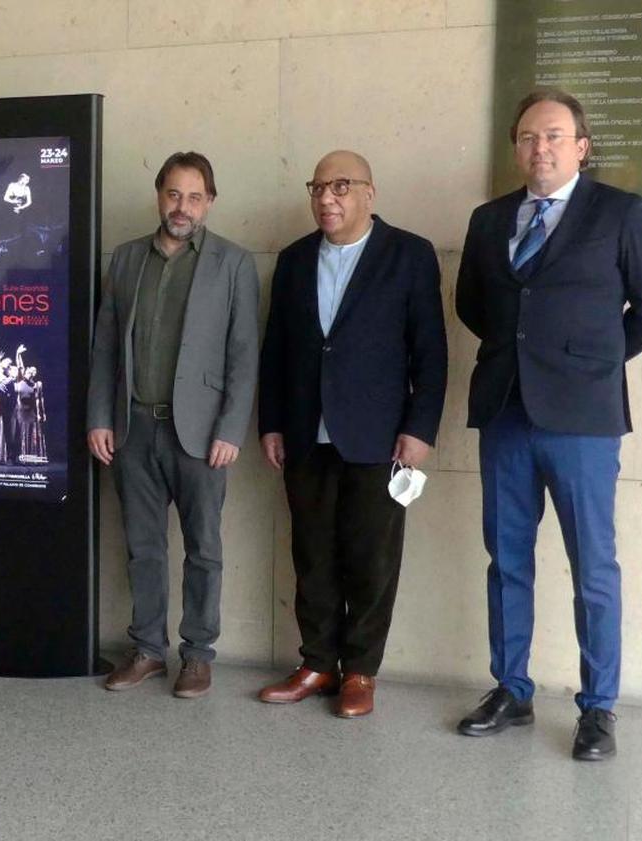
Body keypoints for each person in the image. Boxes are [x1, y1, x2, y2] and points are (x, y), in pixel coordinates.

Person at [454, 90, 642, 759]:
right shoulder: (490, 218)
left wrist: (591, 362)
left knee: (593, 568)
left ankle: (598, 707)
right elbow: (473, 303)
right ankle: (511, 689)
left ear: (581, 145)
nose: (539, 148)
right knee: (507, 560)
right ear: (516, 148)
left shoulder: (621, 213)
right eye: (527, 137)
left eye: (553, 135)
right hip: (505, 413)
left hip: (582, 419)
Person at [255, 151, 447, 717]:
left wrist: (419, 430)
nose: (326, 198)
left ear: (370, 193)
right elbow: (276, 353)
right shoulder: (293, 260)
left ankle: (360, 670)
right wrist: (270, 422)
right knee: (312, 554)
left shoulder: (408, 255)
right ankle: (317, 662)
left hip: (380, 438)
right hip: (303, 435)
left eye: (341, 186)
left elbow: (430, 354)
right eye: (317, 187)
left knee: (372, 556)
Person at [87, 151, 259, 699]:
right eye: (173, 194)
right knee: (143, 546)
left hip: (203, 435)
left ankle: (198, 655)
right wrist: (99, 417)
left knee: (204, 547)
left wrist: (231, 429)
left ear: (209, 202)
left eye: (194, 197)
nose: (182, 207)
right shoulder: (127, 259)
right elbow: (106, 344)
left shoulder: (232, 263)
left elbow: (243, 352)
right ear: (159, 195)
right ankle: (146, 650)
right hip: (133, 428)